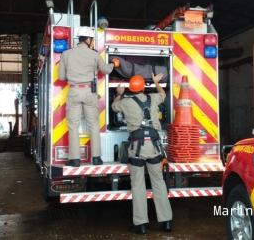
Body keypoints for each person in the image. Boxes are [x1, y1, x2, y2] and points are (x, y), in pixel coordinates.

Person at [111, 73, 172, 234]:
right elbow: (163, 95)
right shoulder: (153, 98)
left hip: (137, 147)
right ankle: (166, 221)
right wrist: (157, 83)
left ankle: (141, 224)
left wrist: (118, 93)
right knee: (158, 182)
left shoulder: (125, 102)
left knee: (138, 185)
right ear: (144, 88)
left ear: (131, 89)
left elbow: (113, 107)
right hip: (154, 147)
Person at [58, 26, 120, 167]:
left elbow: (61, 76)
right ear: (88, 39)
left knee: (73, 126)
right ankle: (96, 158)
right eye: (91, 39)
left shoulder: (66, 54)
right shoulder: (94, 55)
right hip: (89, 92)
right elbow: (106, 70)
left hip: (74, 91)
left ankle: (74, 159)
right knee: (93, 125)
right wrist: (113, 63)